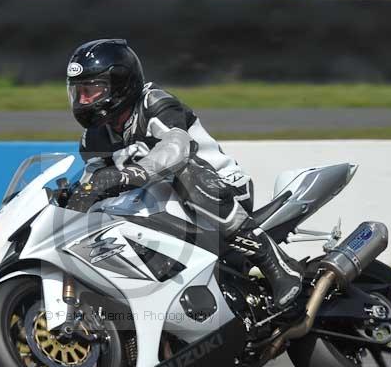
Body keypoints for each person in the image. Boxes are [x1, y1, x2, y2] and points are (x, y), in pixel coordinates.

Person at [65, 39, 303, 308]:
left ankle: (277, 264)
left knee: (185, 172)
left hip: (222, 188)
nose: (83, 100)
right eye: (78, 91)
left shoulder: (154, 102)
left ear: (120, 85)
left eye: (92, 90)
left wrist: (127, 175)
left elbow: (176, 149)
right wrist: (72, 199)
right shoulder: (93, 137)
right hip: (164, 206)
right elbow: (92, 181)